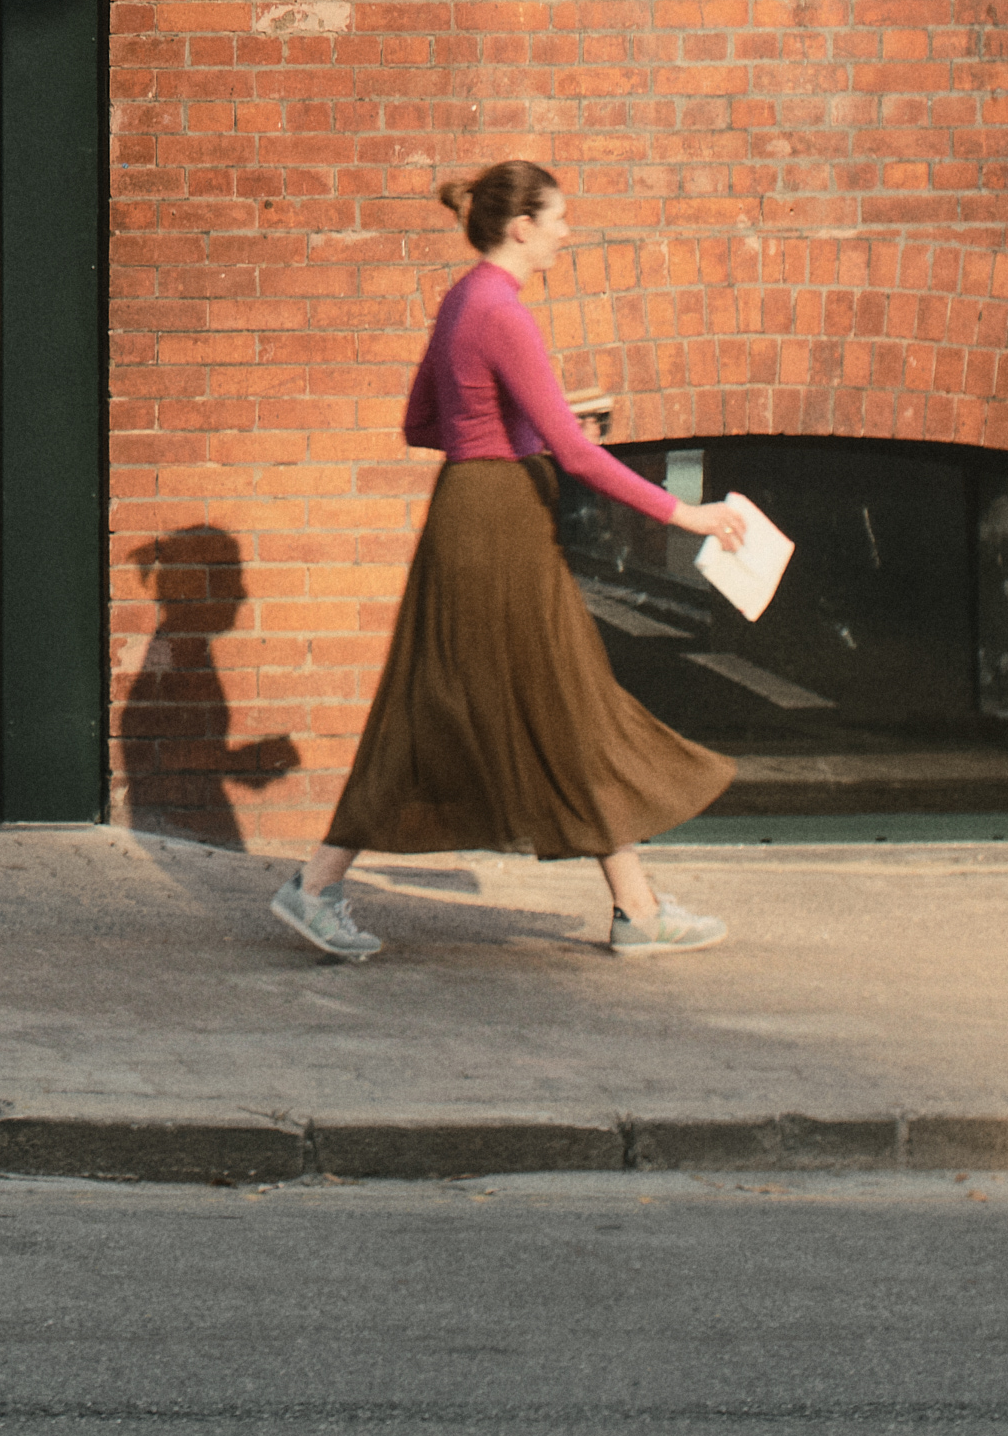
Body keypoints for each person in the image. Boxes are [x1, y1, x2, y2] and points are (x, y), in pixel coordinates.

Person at [260, 159, 775, 965]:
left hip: (469, 510)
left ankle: (632, 907)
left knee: (527, 700)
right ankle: (317, 885)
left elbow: (423, 422)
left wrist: (519, 423)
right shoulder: (504, 312)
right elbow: (574, 455)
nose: (569, 231)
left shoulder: (464, 298)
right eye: (560, 217)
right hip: (503, 522)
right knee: (549, 698)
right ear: (522, 225)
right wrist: (688, 513)